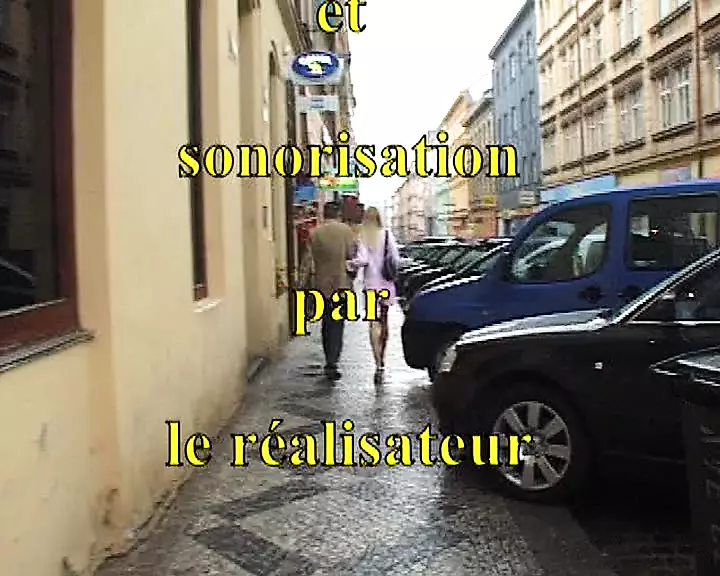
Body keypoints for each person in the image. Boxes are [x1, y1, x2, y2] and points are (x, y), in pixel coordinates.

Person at [299, 202, 356, 380]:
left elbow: (307, 261)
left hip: (321, 285)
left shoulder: (315, 233)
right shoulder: (346, 231)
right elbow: (352, 256)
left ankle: (328, 358)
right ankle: (333, 360)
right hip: (341, 285)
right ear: (338, 214)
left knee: (326, 323)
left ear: (324, 214)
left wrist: (301, 284)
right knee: (337, 324)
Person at [350, 207, 400, 383]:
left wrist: (351, 264)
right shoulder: (387, 234)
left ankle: (377, 361)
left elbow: (362, 260)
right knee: (384, 321)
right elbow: (395, 258)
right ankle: (383, 357)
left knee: (373, 322)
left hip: (370, 285)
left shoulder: (364, 236)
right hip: (386, 284)